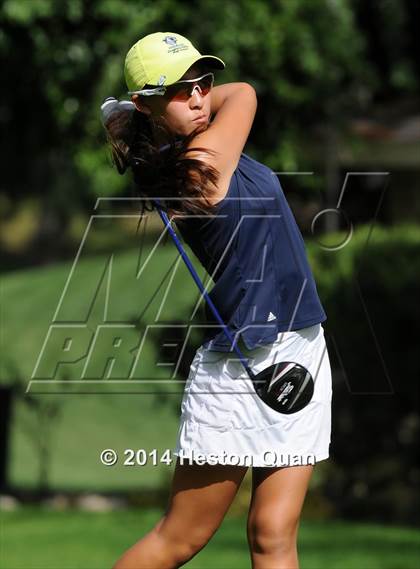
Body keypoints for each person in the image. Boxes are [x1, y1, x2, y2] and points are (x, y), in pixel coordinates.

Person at [104, 31, 333, 569]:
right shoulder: (201, 163)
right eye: (181, 91)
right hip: (236, 371)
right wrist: (133, 115)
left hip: (299, 346)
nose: (201, 98)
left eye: (202, 82)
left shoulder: (180, 143)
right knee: (181, 538)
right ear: (146, 103)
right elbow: (246, 91)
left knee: (274, 534)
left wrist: (141, 117)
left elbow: (223, 97)